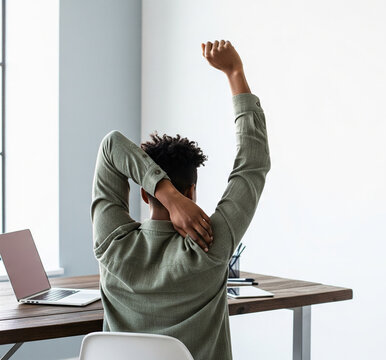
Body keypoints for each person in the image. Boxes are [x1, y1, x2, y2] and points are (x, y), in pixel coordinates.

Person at [91, 39, 270, 359]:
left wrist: (166, 194)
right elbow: (253, 163)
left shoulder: (112, 245)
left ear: (143, 194)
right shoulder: (212, 244)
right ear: (193, 190)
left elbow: (111, 146)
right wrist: (234, 72)